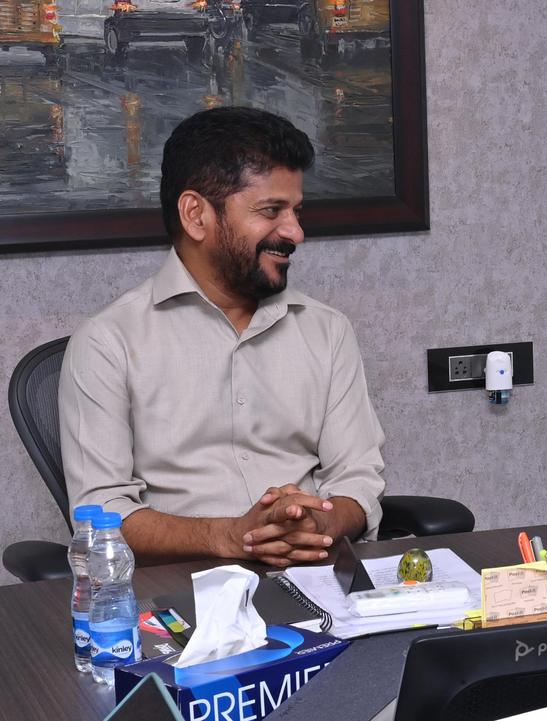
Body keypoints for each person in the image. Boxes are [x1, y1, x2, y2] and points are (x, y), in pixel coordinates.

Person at [60, 107, 386, 568]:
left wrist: (316, 525)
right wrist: (232, 536)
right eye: (272, 210)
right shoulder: (107, 343)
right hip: (181, 599)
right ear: (196, 215)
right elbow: (102, 513)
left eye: (296, 211)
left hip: (316, 582)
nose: (296, 232)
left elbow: (357, 478)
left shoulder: (327, 330)